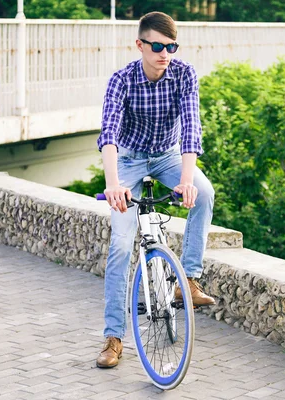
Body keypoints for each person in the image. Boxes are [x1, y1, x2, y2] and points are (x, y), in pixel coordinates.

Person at [95, 11, 216, 369]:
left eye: (171, 46)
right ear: (140, 45)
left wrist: (186, 179)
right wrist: (114, 185)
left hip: (166, 156)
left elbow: (192, 127)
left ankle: (188, 281)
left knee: (205, 193)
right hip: (129, 160)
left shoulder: (183, 74)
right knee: (120, 245)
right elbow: (109, 135)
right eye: (158, 46)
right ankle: (113, 338)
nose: (165, 53)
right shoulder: (122, 80)